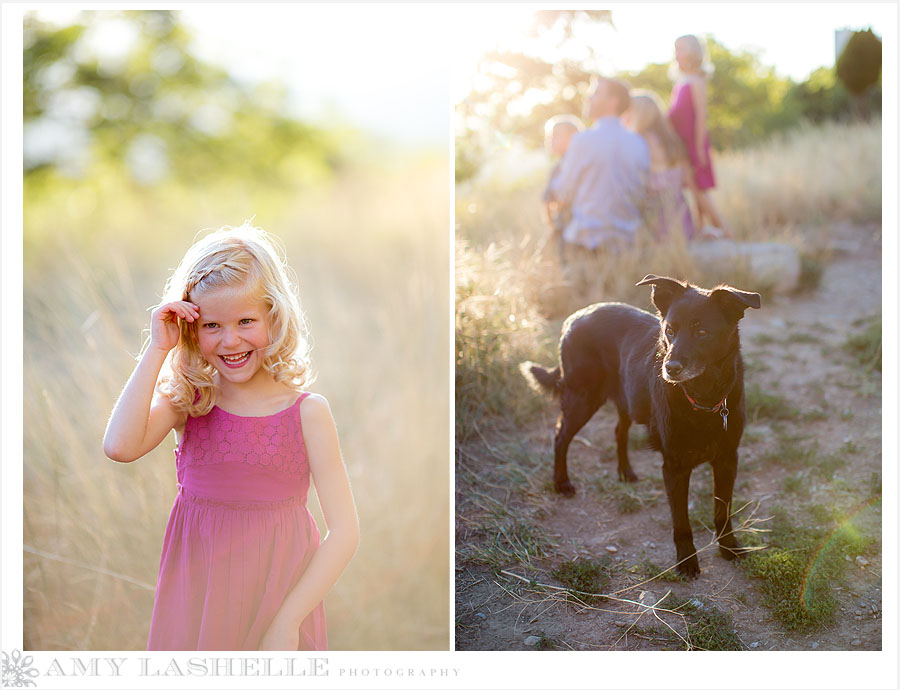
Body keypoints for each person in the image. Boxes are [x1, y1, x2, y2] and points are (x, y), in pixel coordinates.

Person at [103, 222, 360, 651]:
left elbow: (345, 531)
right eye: (212, 326)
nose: (231, 340)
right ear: (191, 328)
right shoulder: (189, 401)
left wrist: (287, 622)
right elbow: (119, 447)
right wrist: (157, 349)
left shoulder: (308, 413)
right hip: (194, 609)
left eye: (246, 321)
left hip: (278, 606)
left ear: (273, 317)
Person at [546, 76, 650, 257]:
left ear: (612, 102)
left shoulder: (582, 141)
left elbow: (562, 193)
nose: (588, 98)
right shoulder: (639, 143)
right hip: (629, 240)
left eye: (595, 93)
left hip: (587, 241)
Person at [668, 34, 727, 234]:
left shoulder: (696, 81)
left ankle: (727, 233)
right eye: (676, 50)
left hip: (693, 143)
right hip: (681, 144)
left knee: (698, 189)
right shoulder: (681, 82)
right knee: (694, 190)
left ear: (693, 52)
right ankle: (701, 230)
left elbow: (702, 116)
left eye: (681, 49)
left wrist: (700, 148)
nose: (677, 55)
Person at [623, 90, 696, 241]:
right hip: (679, 211)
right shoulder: (668, 138)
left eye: (628, 111)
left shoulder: (643, 140)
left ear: (639, 113)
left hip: (659, 212)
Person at [541, 114, 584, 263]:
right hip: (563, 227)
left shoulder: (568, 167)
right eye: (549, 137)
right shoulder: (558, 167)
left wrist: (552, 225)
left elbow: (547, 201)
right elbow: (547, 202)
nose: (550, 141)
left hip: (571, 226)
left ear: (573, 138)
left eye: (555, 136)